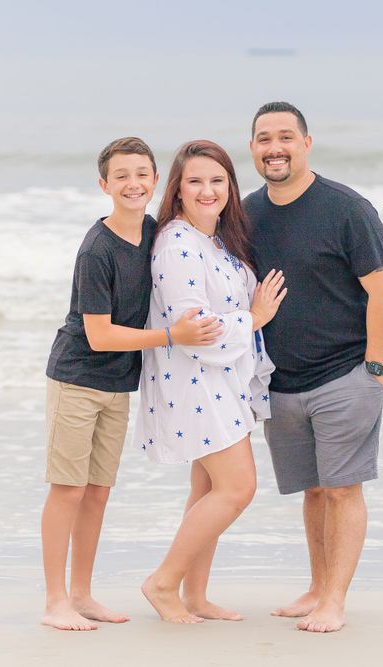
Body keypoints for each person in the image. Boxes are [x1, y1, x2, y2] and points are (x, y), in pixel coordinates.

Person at [41, 137, 221, 631]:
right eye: (121, 176)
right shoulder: (97, 250)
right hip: (77, 379)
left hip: (119, 384)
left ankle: (82, 595)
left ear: (156, 180)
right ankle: (55, 601)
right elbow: (99, 336)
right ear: (105, 185)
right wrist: (172, 336)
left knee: (98, 492)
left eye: (142, 174)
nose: (133, 183)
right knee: (68, 490)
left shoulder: (153, 232)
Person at [244, 102, 383, 633]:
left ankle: (334, 600)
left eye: (286, 137)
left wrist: (375, 369)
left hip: (345, 374)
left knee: (342, 488)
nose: (275, 148)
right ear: (252, 149)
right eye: (265, 139)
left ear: (306, 143)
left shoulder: (347, 209)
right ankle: (316, 588)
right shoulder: (247, 214)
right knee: (312, 490)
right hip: (280, 382)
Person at [134, 140, 286, 624]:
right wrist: (254, 317)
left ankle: (195, 595)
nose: (207, 190)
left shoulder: (218, 239)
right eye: (195, 181)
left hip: (224, 380)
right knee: (238, 487)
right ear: (177, 190)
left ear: (230, 187)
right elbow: (194, 329)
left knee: (207, 489)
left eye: (217, 180)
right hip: (195, 380)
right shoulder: (177, 243)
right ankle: (162, 583)